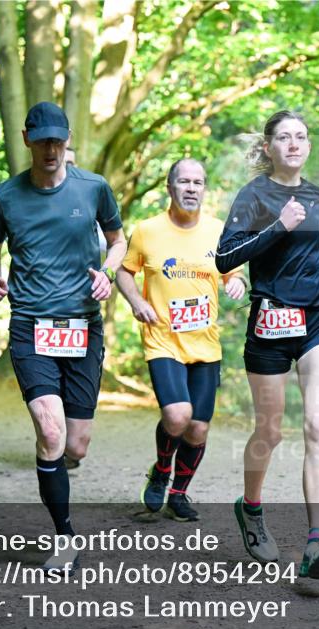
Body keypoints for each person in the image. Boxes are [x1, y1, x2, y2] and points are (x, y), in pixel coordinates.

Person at [0, 101, 126, 570]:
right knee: (50, 429)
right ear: (27, 139)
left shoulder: (95, 188)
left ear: (67, 139)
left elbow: (119, 240)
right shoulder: (5, 197)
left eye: (57, 140)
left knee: (75, 444)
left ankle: (54, 462)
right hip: (30, 325)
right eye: (41, 140)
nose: (50, 149)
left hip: (83, 326)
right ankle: (65, 536)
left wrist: (107, 272)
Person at [215, 110, 319, 579]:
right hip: (269, 323)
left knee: (318, 426)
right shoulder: (254, 195)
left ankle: (316, 542)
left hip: (316, 320)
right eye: (284, 137)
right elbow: (225, 257)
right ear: (268, 147)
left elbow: (314, 252)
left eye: (301, 137)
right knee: (271, 432)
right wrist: (277, 225)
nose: (294, 144)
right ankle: (252, 509)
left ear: (308, 145)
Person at [117, 158, 247, 522]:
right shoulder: (147, 231)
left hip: (205, 344)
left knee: (198, 427)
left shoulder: (219, 231)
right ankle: (161, 471)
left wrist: (236, 281)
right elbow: (124, 273)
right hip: (163, 340)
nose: (191, 188)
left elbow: (234, 273)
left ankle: (179, 493)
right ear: (170, 187)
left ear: (205, 189)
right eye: (184, 181)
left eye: (198, 182)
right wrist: (138, 301)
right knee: (177, 415)